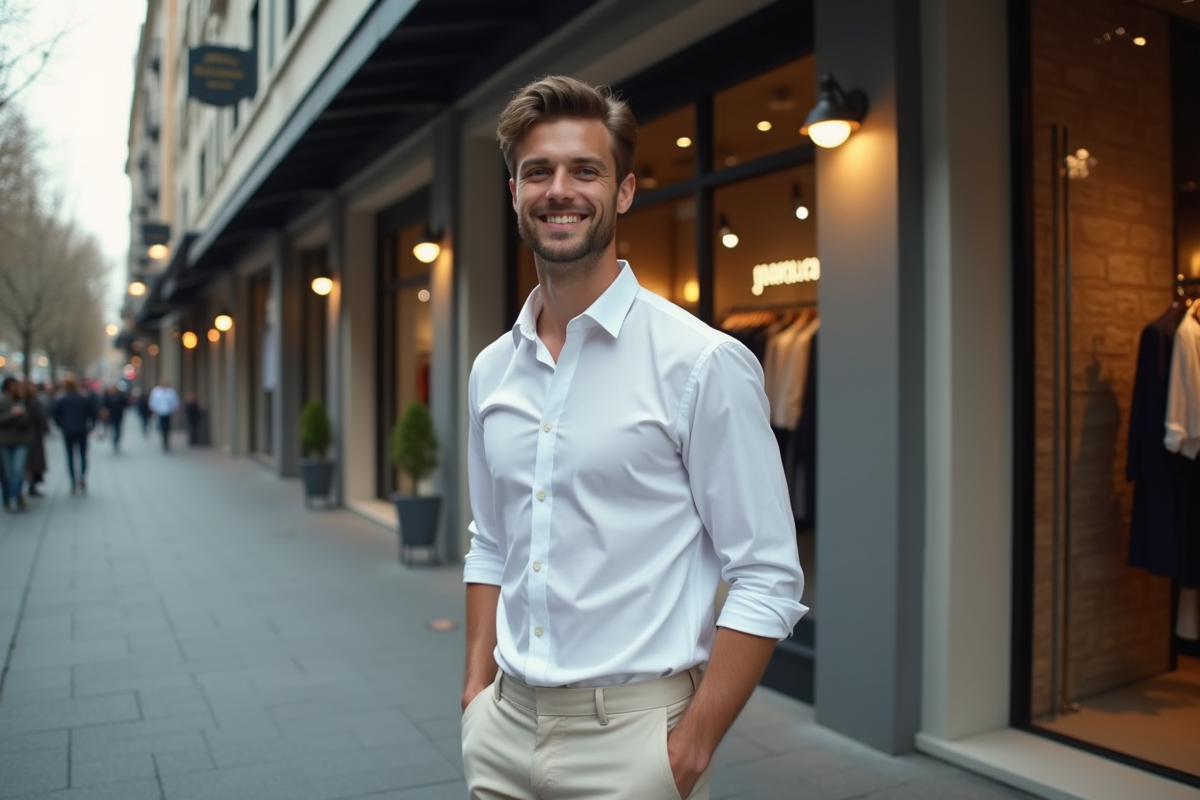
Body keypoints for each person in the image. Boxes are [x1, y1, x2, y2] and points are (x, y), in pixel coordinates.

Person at [460, 77, 806, 800]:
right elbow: (490, 540)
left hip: (636, 748)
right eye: (538, 171)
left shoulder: (701, 363)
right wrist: (475, 690)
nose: (561, 190)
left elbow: (767, 574)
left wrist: (689, 746)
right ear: (514, 192)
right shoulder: (492, 371)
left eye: (586, 170)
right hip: (503, 734)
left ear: (623, 191)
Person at [51, 374, 96, 495]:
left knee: (70, 456)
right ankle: (82, 476)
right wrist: (91, 426)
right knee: (82, 455)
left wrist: (60, 425)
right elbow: (92, 413)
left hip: (67, 431)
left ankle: (73, 482)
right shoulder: (83, 398)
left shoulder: (61, 399)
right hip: (82, 430)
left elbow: (54, 414)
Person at [0, 376, 33, 511]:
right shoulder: (3, 401)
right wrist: (12, 414)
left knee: (18, 471)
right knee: (8, 472)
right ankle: (9, 499)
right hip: (5, 441)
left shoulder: (23, 401)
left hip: (21, 441)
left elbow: (28, 420)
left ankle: (14, 498)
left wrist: (21, 414)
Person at [22, 380, 49, 497]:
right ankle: (29, 485)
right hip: (26, 436)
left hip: (35, 436)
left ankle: (32, 484)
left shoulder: (35, 402)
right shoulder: (26, 403)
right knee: (28, 463)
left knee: (33, 462)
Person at [148, 377, 180, 452]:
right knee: (162, 428)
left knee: (168, 428)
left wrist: (174, 411)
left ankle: (167, 441)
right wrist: (154, 410)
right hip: (160, 413)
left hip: (168, 413)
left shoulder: (171, 392)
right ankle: (164, 441)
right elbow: (152, 402)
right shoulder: (156, 391)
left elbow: (175, 402)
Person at [99, 384, 127, 453]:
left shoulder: (120, 396)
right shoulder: (107, 397)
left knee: (117, 430)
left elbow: (125, 404)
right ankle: (113, 440)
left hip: (118, 416)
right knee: (111, 429)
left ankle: (116, 440)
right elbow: (103, 405)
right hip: (110, 416)